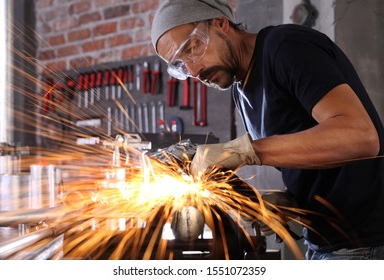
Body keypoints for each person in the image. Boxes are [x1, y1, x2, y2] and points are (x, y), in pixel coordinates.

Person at [151, 0, 384, 260]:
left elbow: (360, 136)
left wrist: (244, 150)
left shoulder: (285, 47)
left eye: (193, 48)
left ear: (220, 23)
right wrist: (292, 203)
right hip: (323, 245)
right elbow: (314, 153)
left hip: (367, 244)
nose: (195, 71)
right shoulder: (241, 91)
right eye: (181, 66)